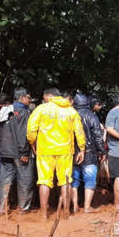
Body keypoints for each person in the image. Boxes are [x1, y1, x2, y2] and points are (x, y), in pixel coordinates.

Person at [26, 88, 86, 220]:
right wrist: (82, 149)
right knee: (65, 181)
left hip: (45, 150)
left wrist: (32, 143)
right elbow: (79, 132)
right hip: (65, 151)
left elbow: (31, 129)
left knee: (44, 181)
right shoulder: (71, 110)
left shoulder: (41, 109)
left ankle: (43, 215)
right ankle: (66, 213)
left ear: (48, 97)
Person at [0, 88, 34, 214]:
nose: (29, 99)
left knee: (4, 180)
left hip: (5, 151)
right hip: (19, 152)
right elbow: (23, 134)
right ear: (21, 98)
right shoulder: (23, 112)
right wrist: (24, 152)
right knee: (25, 179)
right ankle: (23, 207)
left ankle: (0, 208)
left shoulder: (4, 110)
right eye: (28, 97)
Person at [71, 93, 106, 213]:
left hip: (73, 153)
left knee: (74, 180)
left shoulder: (70, 114)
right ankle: (87, 207)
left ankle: (74, 206)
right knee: (90, 180)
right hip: (90, 153)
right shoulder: (91, 116)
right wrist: (102, 151)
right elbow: (97, 135)